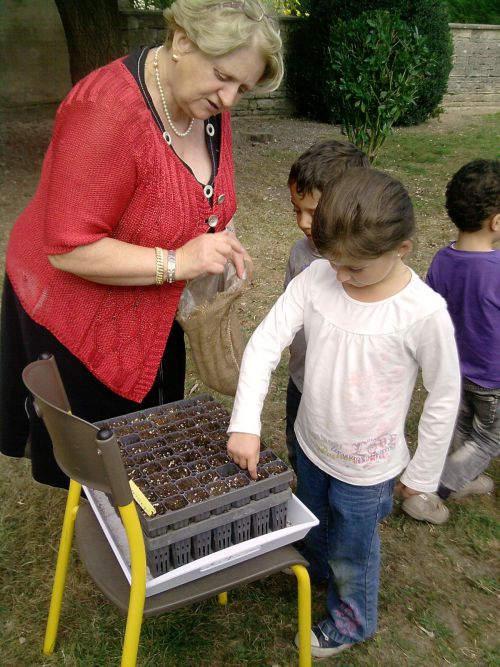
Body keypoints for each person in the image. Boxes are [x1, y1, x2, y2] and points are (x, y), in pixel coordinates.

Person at [0, 0, 283, 489]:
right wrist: (179, 260)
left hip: (151, 299)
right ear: (181, 41)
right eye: (225, 77)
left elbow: (201, 189)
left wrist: (219, 234)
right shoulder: (105, 111)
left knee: (147, 435)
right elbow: (68, 248)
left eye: (244, 87)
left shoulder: (206, 103)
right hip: (78, 312)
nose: (232, 98)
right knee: (103, 458)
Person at [227, 167, 461, 657]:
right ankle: (313, 574)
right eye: (334, 262)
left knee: (355, 550)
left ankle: (352, 620)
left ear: (401, 249)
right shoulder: (317, 278)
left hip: (368, 469)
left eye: (355, 267)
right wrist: (245, 422)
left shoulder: (422, 312)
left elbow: (443, 394)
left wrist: (422, 472)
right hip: (313, 444)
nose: (341, 276)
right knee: (314, 520)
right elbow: (266, 343)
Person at [402, 158, 500, 524]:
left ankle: (464, 476)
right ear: (496, 222)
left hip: (454, 372)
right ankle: (432, 489)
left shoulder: (443, 260)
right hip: (491, 379)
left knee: (461, 427)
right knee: (488, 437)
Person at [284, 140, 370, 473]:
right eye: (296, 209)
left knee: (339, 461)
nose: (303, 222)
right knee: (298, 448)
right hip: (302, 379)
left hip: (344, 395)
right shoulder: (300, 253)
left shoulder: (364, 268)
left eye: (313, 213)